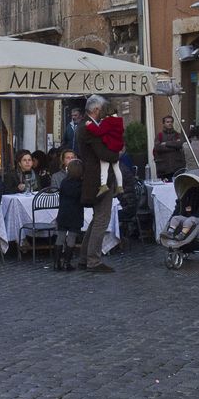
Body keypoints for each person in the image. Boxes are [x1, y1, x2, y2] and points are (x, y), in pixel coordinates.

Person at [76, 95, 120, 273]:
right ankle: (93, 260)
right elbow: (103, 153)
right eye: (102, 109)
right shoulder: (89, 127)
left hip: (96, 177)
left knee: (97, 219)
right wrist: (116, 152)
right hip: (98, 179)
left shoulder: (87, 125)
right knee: (102, 219)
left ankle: (85, 258)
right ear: (95, 110)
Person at [82, 110, 125, 198]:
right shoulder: (119, 121)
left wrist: (89, 125)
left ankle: (103, 185)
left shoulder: (108, 121)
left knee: (104, 165)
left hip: (107, 148)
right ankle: (120, 186)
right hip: (116, 149)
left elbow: (99, 131)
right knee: (116, 167)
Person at [54, 158, 84, 271]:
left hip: (63, 212)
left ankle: (56, 263)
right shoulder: (80, 185)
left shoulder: (64, 182)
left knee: (60, 237)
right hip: (75, 213)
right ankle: (67, 262)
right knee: (71, 238)